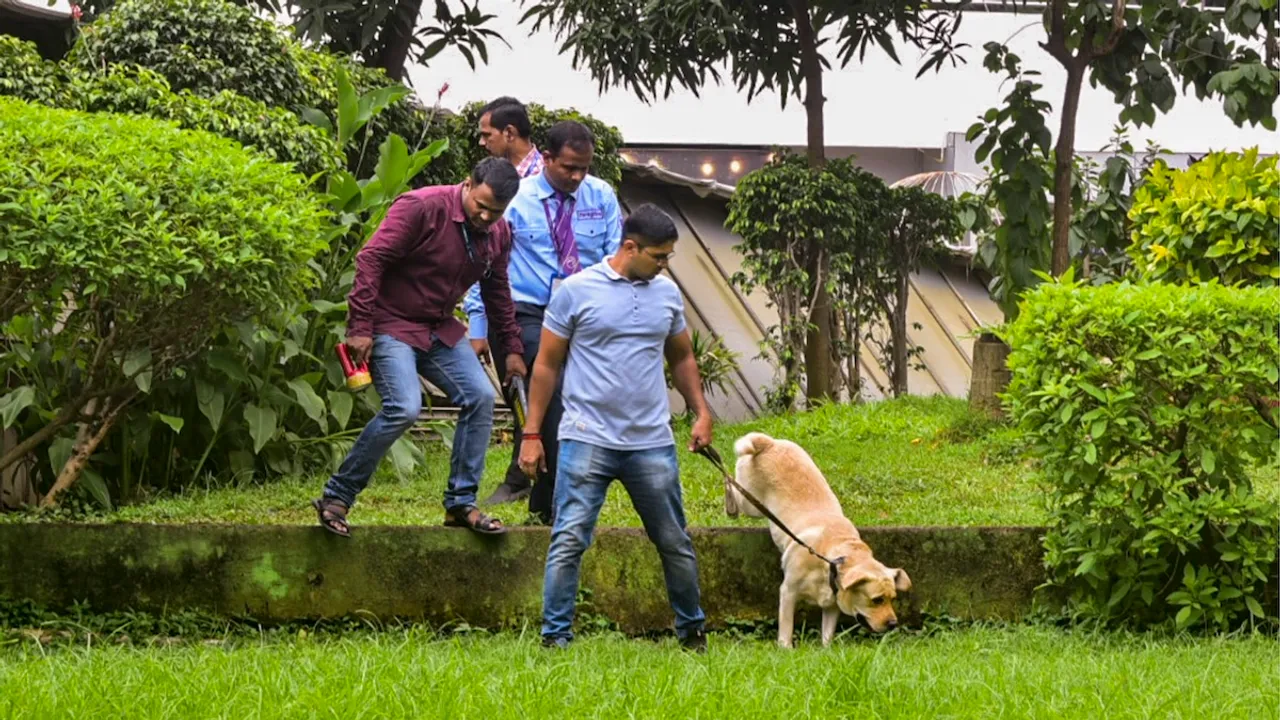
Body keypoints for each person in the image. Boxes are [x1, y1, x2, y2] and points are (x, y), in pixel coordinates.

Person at [519, 203, 713, 652]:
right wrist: (531, 435)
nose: (665, 266)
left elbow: (681, 356)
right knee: (569, 539)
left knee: (674, 541)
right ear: (631, 246)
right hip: (587, 437)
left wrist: (700, 410)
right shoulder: (575, 291)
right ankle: (556, 639)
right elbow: (546, 365)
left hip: (651, 442)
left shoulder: (665, 294)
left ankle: (692, 634)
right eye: (659, 257)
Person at [312, 158, 527, 538]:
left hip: (438, 328)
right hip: (391, 323)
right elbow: (371, 258)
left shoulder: (499, 233)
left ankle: (461, 504)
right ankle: (337, 498)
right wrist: (360, 326)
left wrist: (512, 349)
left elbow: (498, 292)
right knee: (404, 408)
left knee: (479, 397)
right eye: (481, 205)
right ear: (467, 183)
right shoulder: (422, 207)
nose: (485, 216)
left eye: (495, 212)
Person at [465, 120, 623, 523]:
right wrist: (479, 327)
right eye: (569, 167)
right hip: (526, 314)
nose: (577, 176)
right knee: (550, 396)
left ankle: (545, 499)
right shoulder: (516, 199)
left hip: (585, 314)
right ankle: (553, 504)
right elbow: (484, 261)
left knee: (579, 403)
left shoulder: (601, 196)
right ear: (547, 158)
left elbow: (614, 260)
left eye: (584, 168)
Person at [477, 96, 543, 178]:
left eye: (487, 135)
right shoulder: (494, 174)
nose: (481, 142)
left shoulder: (543, 176)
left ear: (509, 133)